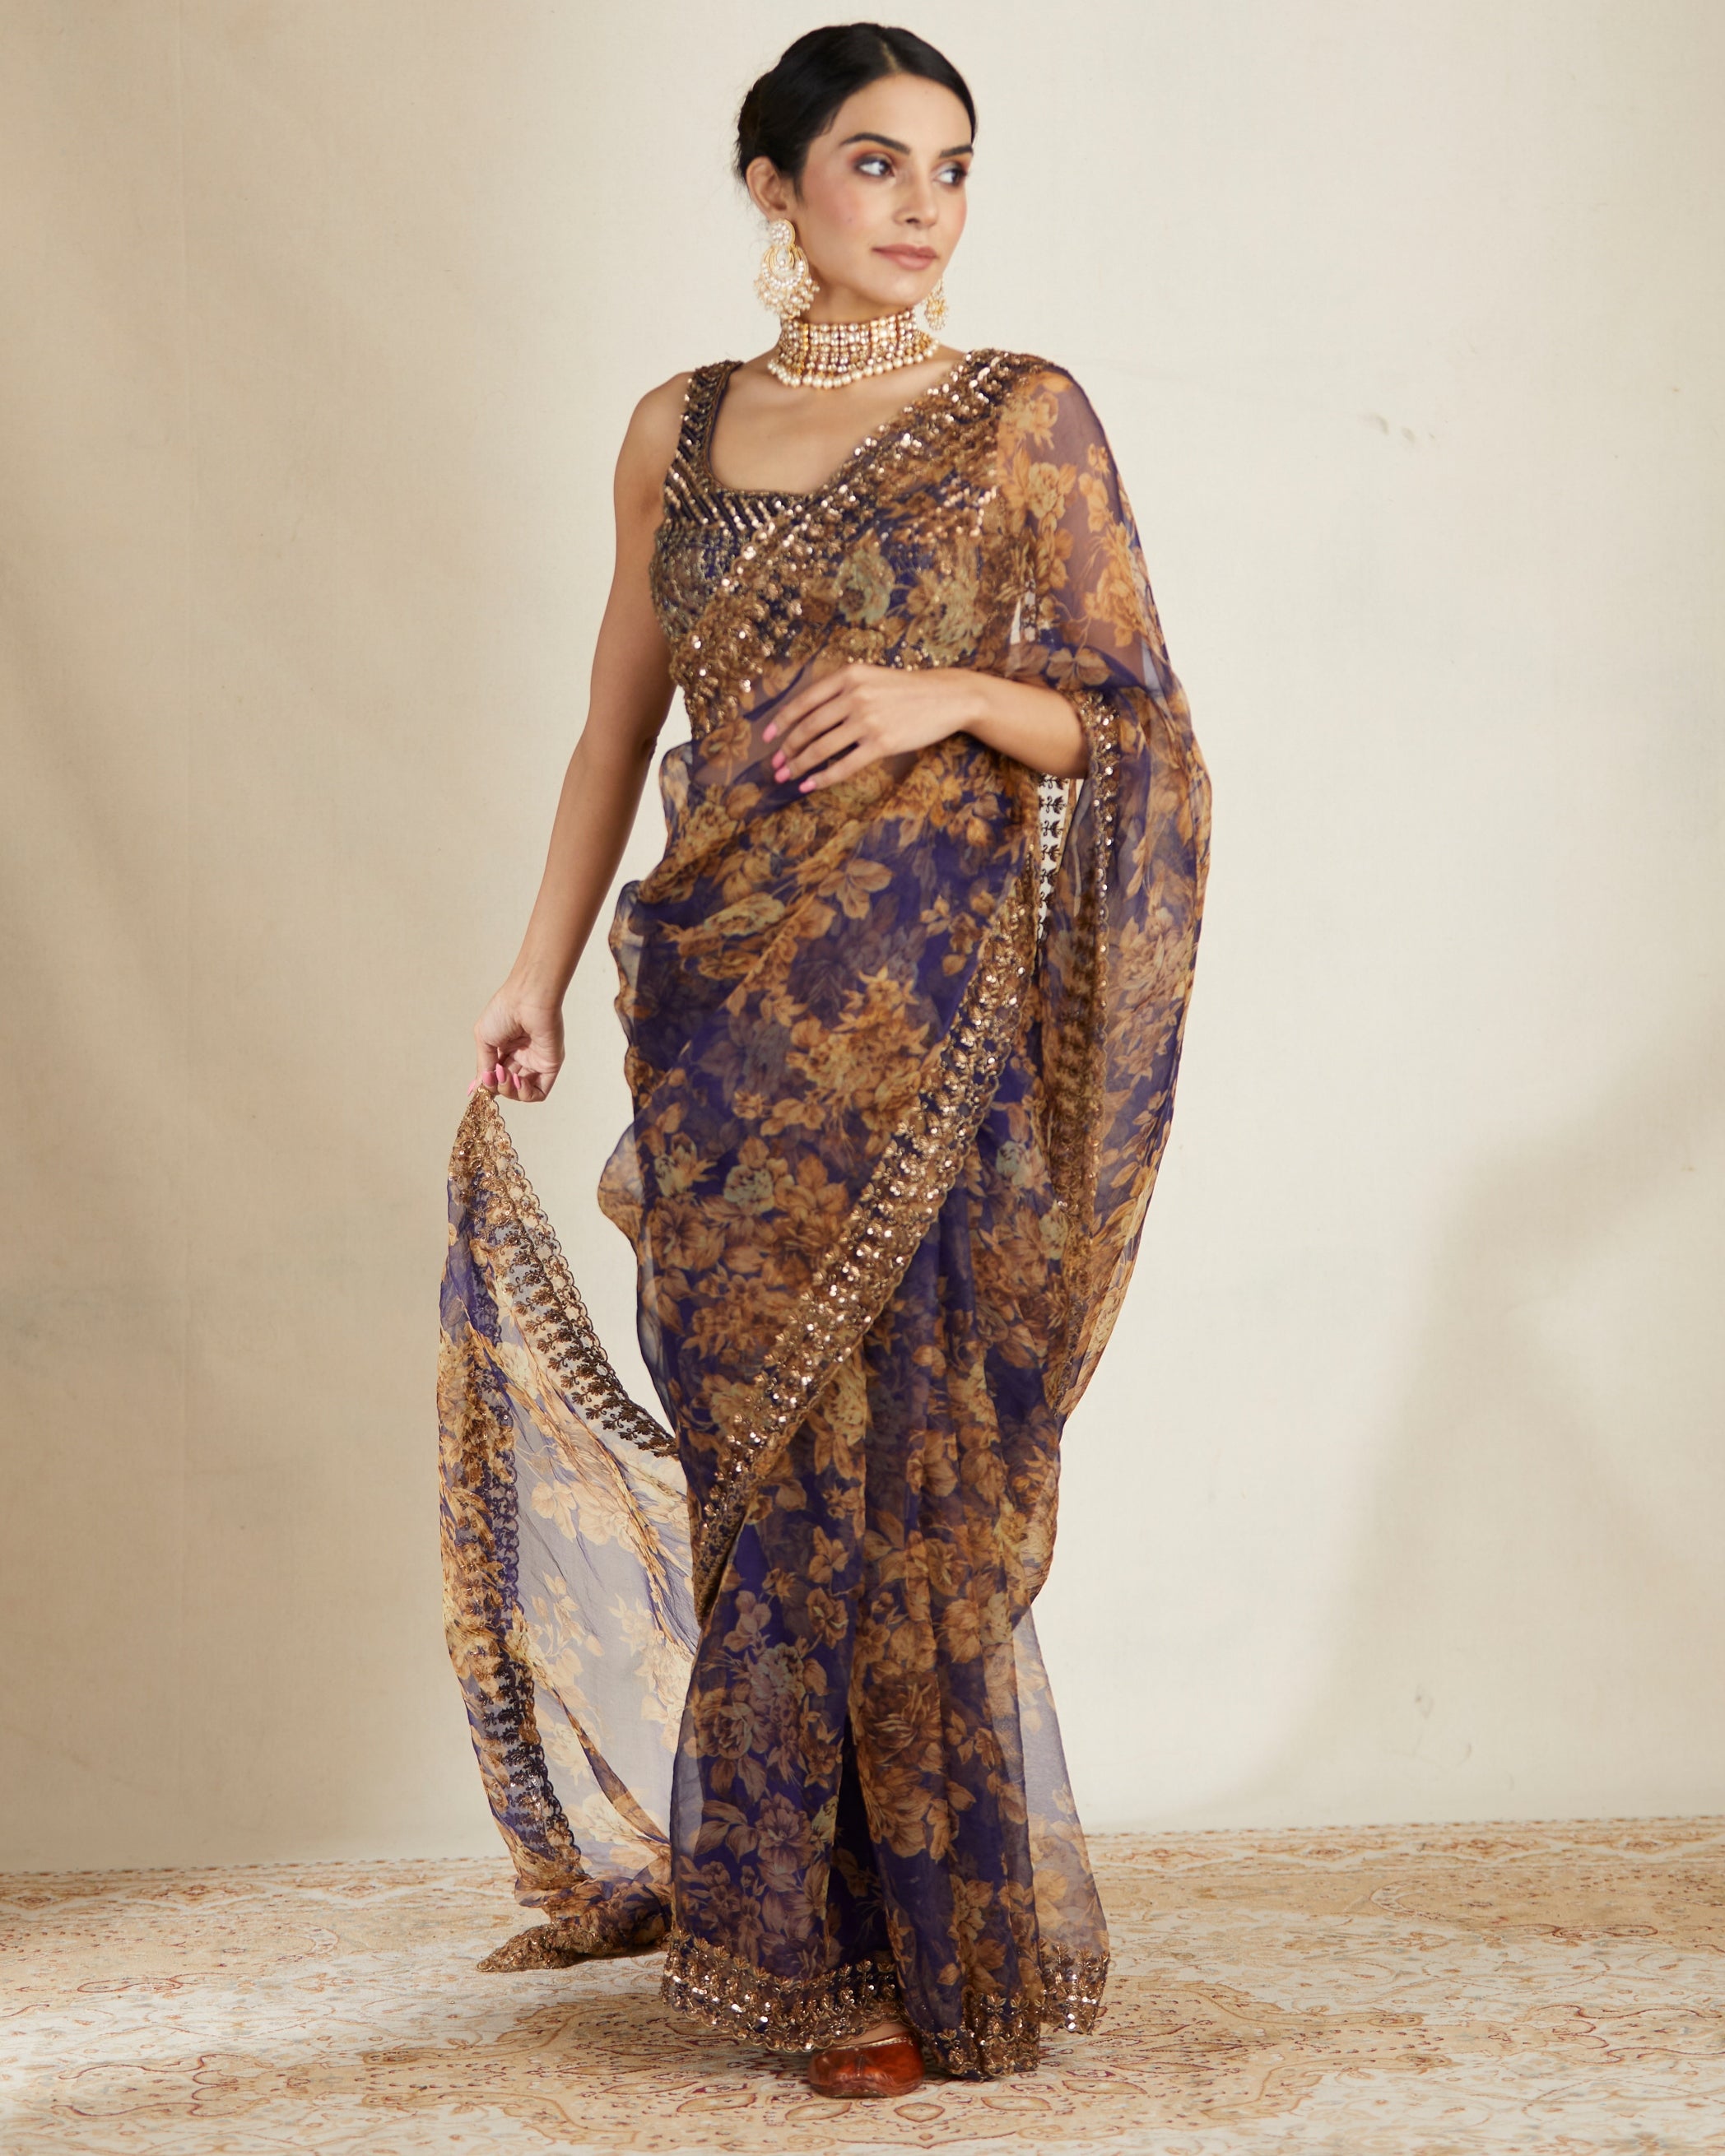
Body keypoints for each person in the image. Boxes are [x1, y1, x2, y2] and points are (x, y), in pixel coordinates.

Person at [439, 20, 1210, 2100]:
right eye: (876, 161)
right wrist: (531, 968)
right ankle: (804, 1939)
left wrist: (940, 689)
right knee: (767, 1468)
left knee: (916, 1473)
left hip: (933, 1021)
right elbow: (616, 726)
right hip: (725, 1021)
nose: (924, 205)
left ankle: (918, 1940)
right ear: (773, 183)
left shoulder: (1022, 417)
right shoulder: (675, 429)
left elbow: (1131, 726)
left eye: (953, 166)